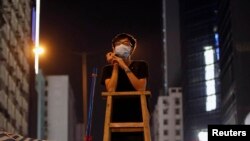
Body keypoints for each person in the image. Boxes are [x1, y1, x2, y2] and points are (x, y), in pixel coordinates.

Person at [101, 33, 149, 141]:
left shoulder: (141, 65)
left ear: (132, 48)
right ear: (113, 49)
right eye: (118, 44)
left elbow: (141, 88)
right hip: (115, 118)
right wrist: (116, 65)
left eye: (126, 43)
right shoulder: (107, 70)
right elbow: (111, 89)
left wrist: (124, 66)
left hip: (138, 117)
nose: (122, 46)